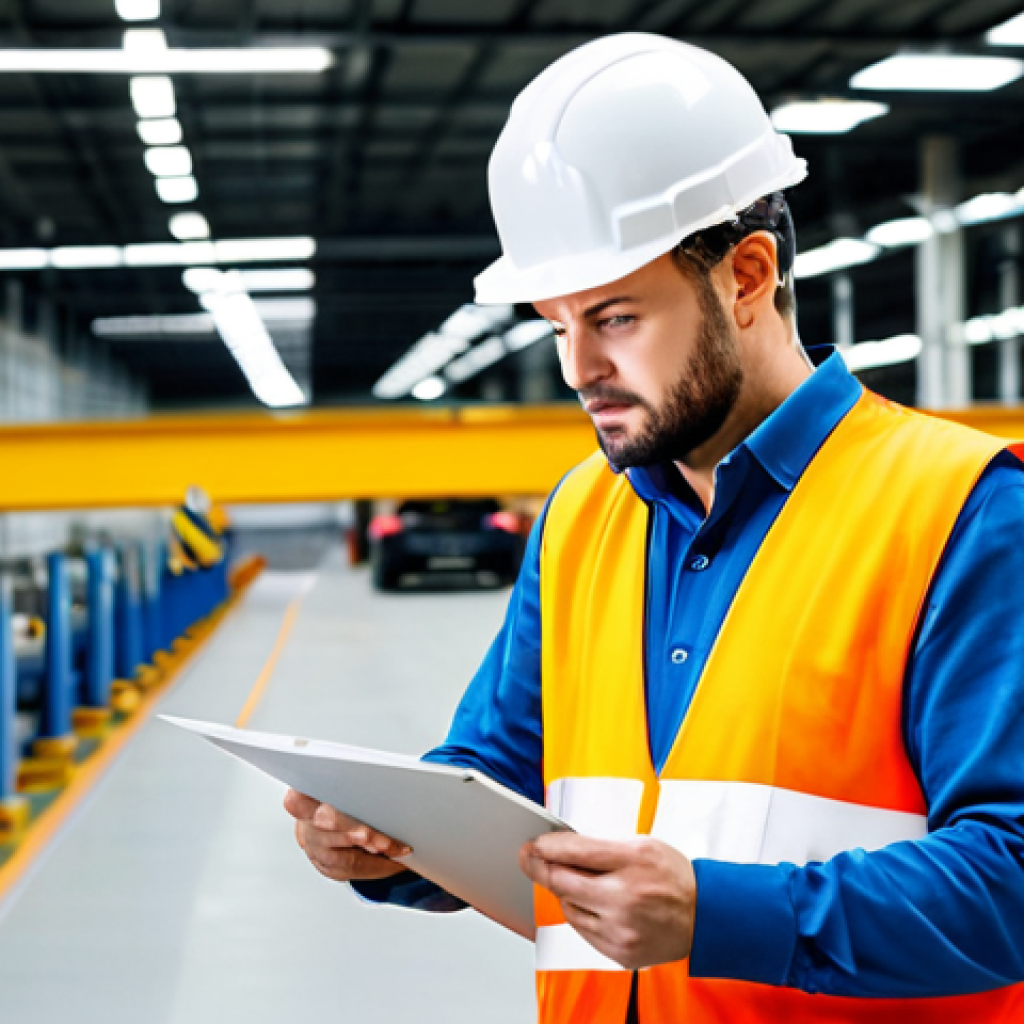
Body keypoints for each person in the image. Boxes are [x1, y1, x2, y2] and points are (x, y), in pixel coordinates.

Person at [284, 33, 1024, 1022]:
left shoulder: (959, 510)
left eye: (617, 317)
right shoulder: (581, 515)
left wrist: (719, 913)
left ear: (747, 275)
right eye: (557, 324)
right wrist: (388, 840)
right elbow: (502, 782)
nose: (578, 366)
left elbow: (1011, 867)